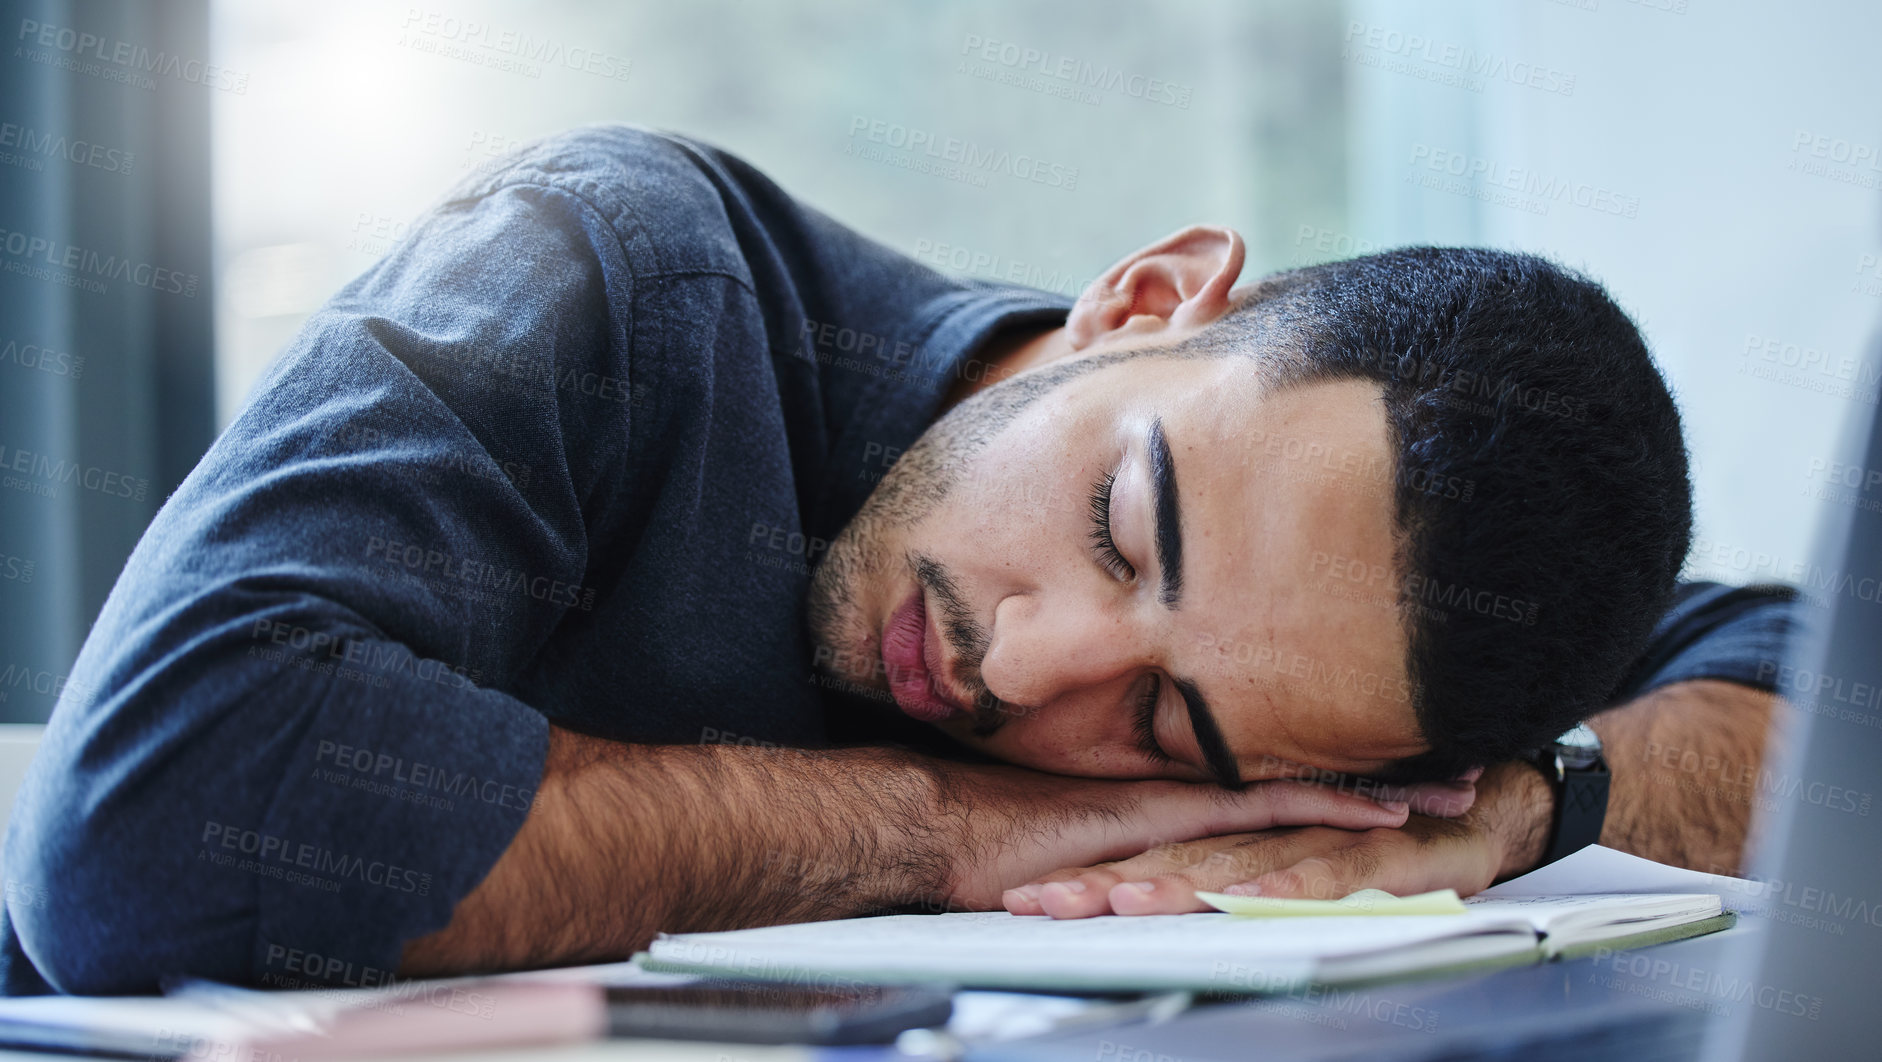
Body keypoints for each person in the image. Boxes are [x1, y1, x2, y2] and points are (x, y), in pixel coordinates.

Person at [0, 126, 1795, 994]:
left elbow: (1814, 693)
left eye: (1166, 727)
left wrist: (1524, 806)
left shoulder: (1373, 649)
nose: (1027, 667)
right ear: (1147, 300)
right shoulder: (619, 275)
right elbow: (137, 852)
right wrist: (943, 828)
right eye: (1122, 521)